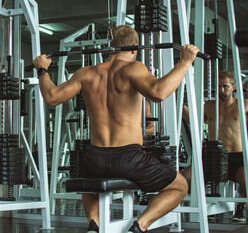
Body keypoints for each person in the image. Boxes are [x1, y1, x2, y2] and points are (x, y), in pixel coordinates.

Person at [33, 25, 198, 233]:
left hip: (94, 158)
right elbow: (159, 92)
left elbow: (52, 97)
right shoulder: (133, 68)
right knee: (180, 185)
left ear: (109, 48)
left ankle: (93, 225)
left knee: (89, 179)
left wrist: (42, 70)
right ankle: (140, 226)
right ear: (133, 49)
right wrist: (185, 61)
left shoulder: (86, 73)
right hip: (129, 159)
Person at [182, 70, 248, 222]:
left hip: (238, 156)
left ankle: (241, 208)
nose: (222, 90)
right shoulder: (209, 106)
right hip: (215, 156)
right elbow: (191, 119)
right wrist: (179, 101)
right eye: (218, 87)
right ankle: (200, 206)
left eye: (225, 86)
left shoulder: (244, 106)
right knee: (185, 178)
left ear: (233, 86)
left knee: (246, 180)